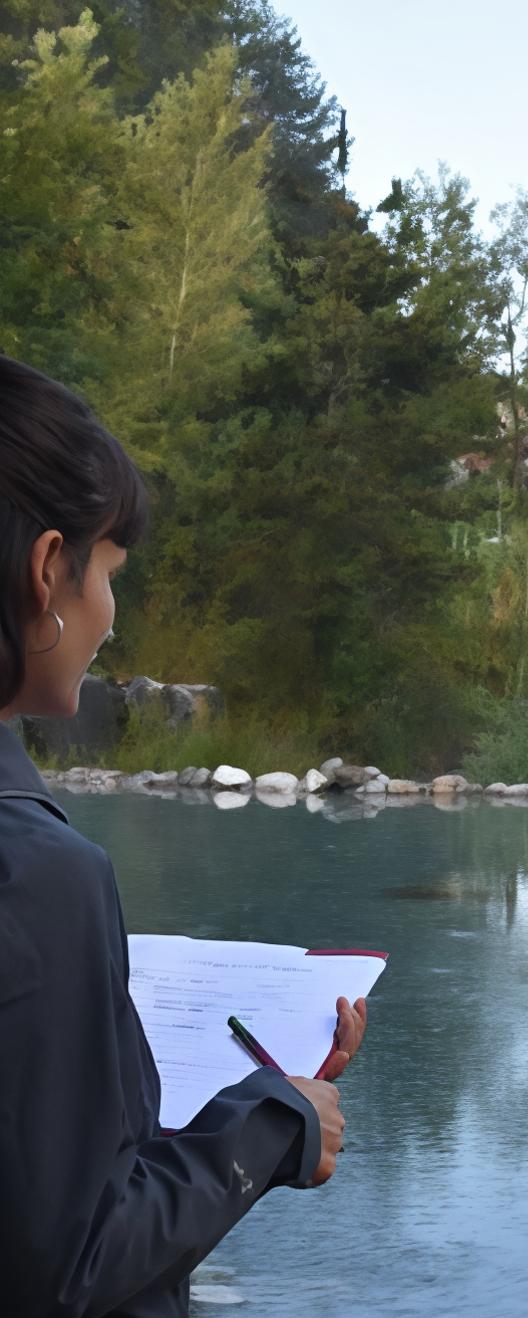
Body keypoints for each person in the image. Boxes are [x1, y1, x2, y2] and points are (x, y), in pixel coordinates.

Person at [0, 355, 368, 1317]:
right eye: (110, 574)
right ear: (47, 571)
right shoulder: (39, 872)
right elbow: (66, 1270)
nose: (111, 619)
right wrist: (270, 1124)